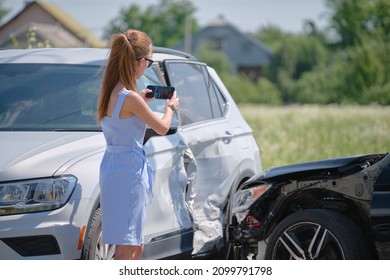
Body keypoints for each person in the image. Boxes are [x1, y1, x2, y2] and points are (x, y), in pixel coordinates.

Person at [96, 29, 179, 260]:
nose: (148, 67)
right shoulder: (130, 97)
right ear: (141, 61)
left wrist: (140, 100)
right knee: (129, 247)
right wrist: (170, 108)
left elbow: (121, 119)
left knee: (132, 244)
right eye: (149, 62)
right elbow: (162, 127)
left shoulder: (110, 91)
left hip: (113, 167)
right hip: (129, 170)